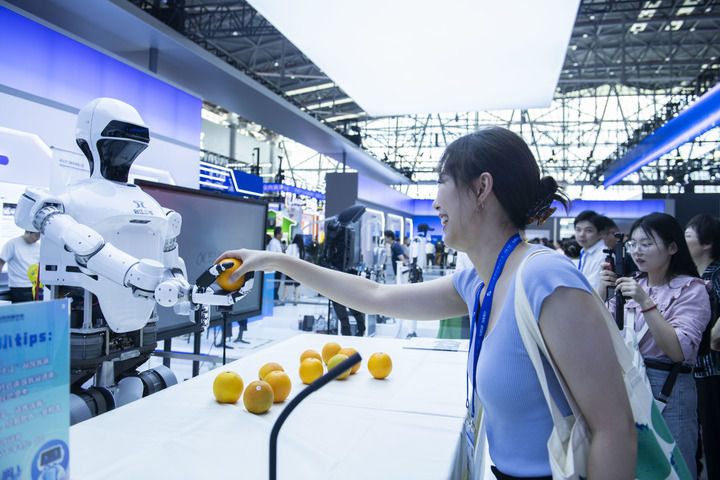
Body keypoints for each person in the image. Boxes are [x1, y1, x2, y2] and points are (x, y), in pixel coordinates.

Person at [218, 126, 636, 479]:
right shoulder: (479, 281)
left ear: (482, 188)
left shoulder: (545, 278)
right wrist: (275, 261)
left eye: (441, 182)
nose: (435, 202)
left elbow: (614, 430)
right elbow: (375, 296)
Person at [599, 212, 711, 478]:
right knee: (635, 467)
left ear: (672, 247)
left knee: (674, 466)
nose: (637, 250)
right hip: (627, 384)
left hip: (669, 388)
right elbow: (598, 330)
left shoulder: (692, 289)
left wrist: (645, 302)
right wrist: (601, 289)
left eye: (647, 243)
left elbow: (678, 351)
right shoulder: (632, 284)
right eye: (633, 244)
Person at [685, 213, 720, 479]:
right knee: (692, 437)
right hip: (692, 369)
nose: (682, 240)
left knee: (713, 435)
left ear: (707, 243)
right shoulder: (689, 276)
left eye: (687, 235)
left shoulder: (715, 274)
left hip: (712, 370)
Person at [0, 230, 41, 303]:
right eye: (36, 235)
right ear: (28, 232)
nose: (38, 238)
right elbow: (1, 262)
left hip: (35, 286)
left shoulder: (38, 247)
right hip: (19, 286)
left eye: (40, 236)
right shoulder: (12, 244)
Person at [574, 210, 605, 291]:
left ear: (600, 234)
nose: (581, 234)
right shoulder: (585, 251)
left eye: (588, 230)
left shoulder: (603, 255)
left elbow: (594, 288)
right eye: (578, 230)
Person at [280, 234, 305, 304]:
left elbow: (287, 256)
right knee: (297, 286)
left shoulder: (291, 246)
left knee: (287, 285)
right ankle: (295, 300)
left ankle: (283, 299)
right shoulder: (301, 248)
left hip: (290, 268)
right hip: (298, 269)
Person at [266, 226, 283, 301]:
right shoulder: (273, 242)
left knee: (277, 283)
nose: (282, 235)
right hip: (275, 267)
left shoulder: (277, 242)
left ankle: (275, 298)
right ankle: (274, 299)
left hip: (278, 267)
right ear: (278, 234)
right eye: (281, 233)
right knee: (275, 284)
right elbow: (272, 255)